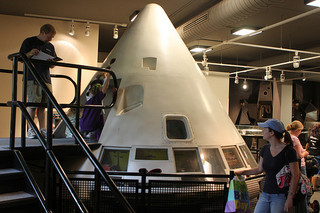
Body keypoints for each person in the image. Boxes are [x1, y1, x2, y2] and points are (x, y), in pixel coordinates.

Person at [235, 119, 299, 213]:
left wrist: (290, 197)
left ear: (272, 132)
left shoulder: (289, 151)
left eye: (265, 129)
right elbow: (259, 169)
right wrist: (242, 172)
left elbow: (296, 175)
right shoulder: (265, 149)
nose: (262, 131)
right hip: (265, 193)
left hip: (280, 195)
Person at [19, 24, 58, 139]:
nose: (50, 39)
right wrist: (30, 53)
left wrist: (52, 62)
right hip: (32, 77)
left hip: (45, 78)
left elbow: (53, 64)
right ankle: (31, 129)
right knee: (32, 104)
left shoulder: (50, 46)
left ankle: (42, 129)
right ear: (42, 32)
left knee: (43, 105)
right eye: (49, 36)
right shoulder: (29, 42)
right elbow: (21, 57)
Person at [80, 72, 111, 141]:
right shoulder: (98, 98)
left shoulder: (87, 95)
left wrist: (99, 76)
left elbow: (92, 84)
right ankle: (98, 137)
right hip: (92, 124)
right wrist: (108, 76)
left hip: (82, 124)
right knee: (101, 119)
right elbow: (105, 87)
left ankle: (88, 134)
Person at [286, 120, 308, 213]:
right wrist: (305, 153)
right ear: (297, 130)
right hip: (300, 166)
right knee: (303, 190)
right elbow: (299, 155)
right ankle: (304, 210)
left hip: (292, 166)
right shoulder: (295, 139)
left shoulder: (287, 137)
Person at [306, 124, 320, 189]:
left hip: (310, 154)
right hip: (317, 155)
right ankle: (314, 186)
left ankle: (309, 185)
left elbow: (307, 145)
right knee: (316, 171)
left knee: (310, 171)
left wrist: (306, 151)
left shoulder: (310, 135)